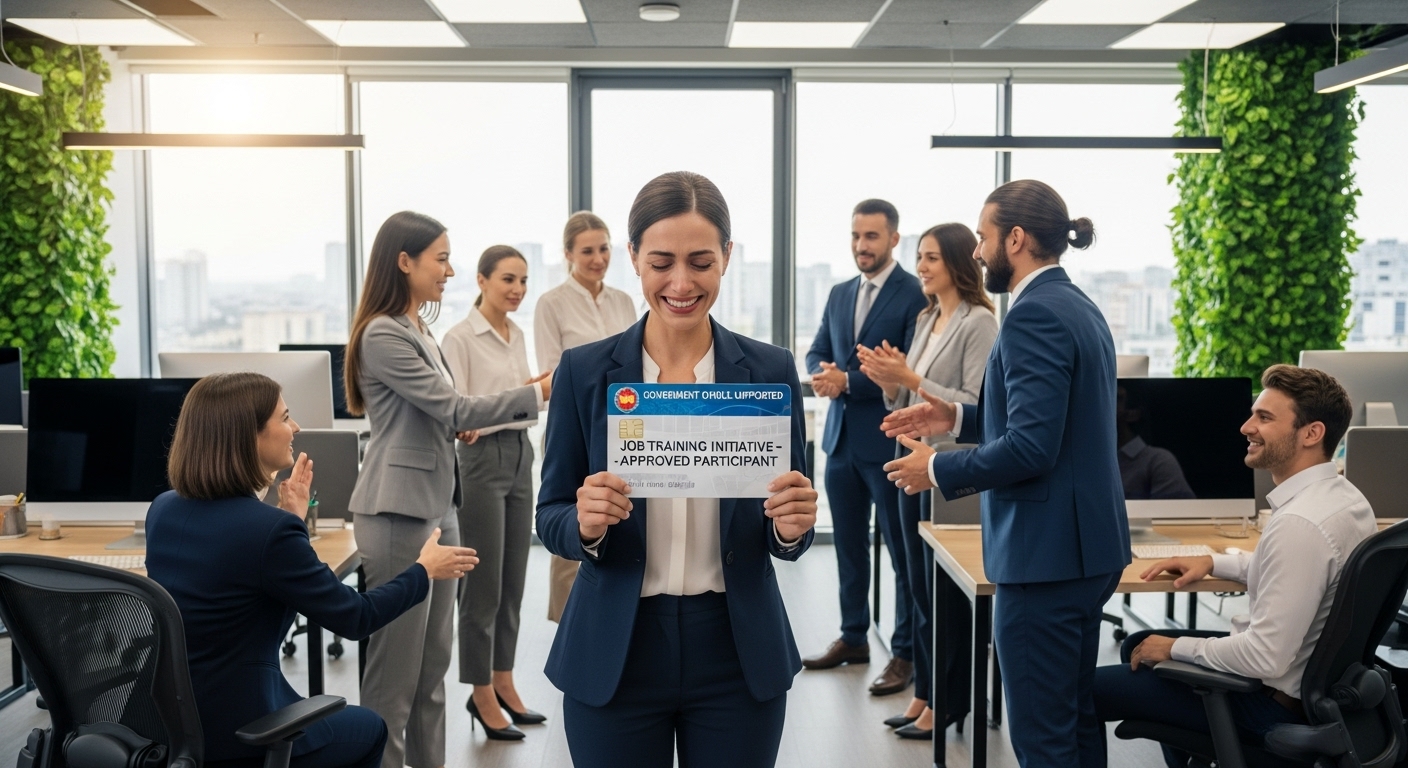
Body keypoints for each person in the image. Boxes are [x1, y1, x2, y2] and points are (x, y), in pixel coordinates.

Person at [536, 171, 819, 768]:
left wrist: (791, 528)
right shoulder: (584, 372)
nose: (682, 283)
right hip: (616, 646)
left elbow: (785, 524)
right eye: (661, 262)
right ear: (633, 257)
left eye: (701, 262)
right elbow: (550, 515)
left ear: (727, 258)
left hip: (736, 649)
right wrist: (583, 523)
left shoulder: (770, 371)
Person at [881, 179, 1131, 767]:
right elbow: (1055, 424)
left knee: (1042, 736)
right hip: (1085, 550)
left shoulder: (1032, 316)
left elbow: (1031, 448)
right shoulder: (1077, 305)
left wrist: (937, 468)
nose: (976, 251)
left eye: (984, 237)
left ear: (1015, 239)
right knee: (1073, 718)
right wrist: (958, 415)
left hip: (1045, 559)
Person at [146, 372, 479, 768]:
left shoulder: (163, 509)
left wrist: (292, 522)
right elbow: (357, 617)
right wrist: (424, 570)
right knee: (370, 728)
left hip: (165, 723)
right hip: (241, 731)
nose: (296, 428)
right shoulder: (267, 531)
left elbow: (241, 604)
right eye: (285, 418)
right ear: (248, 437)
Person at [345, 211, 551, 768]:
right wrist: (541, 393)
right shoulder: (383, 332)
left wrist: (451, 420)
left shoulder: (418, 329)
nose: (450, 270)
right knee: (395, 678)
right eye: (440, 258)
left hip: (440, 506)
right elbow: (453, 404)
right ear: (404, 261)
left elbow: (440, 411)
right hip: (397, 514)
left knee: (432, 670)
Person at [1094, 364, 1374, 768]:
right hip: (1312, 689)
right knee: (1136, 643)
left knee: (1079, 694)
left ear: (1312, 433)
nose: (1246, 427)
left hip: (1268, 706)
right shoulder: (1342, 499)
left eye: (1264, 417)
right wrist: (1215, 561)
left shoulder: (1300, 526)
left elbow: (1264, 658)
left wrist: (1174, 647)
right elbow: (1298, 572)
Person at [856, 223, 997, 740]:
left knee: (943, 595)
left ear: (957, 262)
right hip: (908, 462)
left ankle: (949, 702)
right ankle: (925, 695)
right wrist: (891, 383)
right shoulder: (926, 316)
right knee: (917, 587)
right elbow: (907, 400)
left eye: (932, 257)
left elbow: (977, 405)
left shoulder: (979, 321)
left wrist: (912, 380)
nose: (921, 266)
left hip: (947, 474)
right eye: (919, 256)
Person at [803, 199, 929, 698]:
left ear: (894, 239)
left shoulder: (914, 295)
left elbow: (904, 370)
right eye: (856, 236)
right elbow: (816, 349)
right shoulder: (838, 293)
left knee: (902, 554)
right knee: (850, 550)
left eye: (872, 237)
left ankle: (905, 652)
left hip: (889, 443)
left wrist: (847, 382)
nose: (862, 246)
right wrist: (823, 375)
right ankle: (853, 637)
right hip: (839, 446)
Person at [441, 245, 547, 740]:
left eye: (523, 280)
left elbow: (519, 406)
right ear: (481, 281)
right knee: (482, 587)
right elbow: (462, 410)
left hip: (521, 452)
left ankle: (504, 680)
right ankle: (479, 689)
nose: (517, 289)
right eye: (508, 279)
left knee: (514, 580)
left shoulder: (517, 332)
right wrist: (521, 399)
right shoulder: (460, 337)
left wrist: (529, 393)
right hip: (481, 459)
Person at [534, 211, 639, 623]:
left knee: (619, 519)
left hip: (627, 429)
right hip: (576, 428)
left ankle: (616, 619)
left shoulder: (624, 301)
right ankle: (570, 626)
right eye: (587, 251)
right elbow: (551, 374)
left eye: (604, 248)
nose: (598, 258)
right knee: (576, 522)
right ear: (568, 254)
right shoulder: (551, 304)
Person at [1116, 385, 1195, 500]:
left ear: (1132, 414)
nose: (1105, 402)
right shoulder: (1093, 459)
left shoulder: (1158, 461)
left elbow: (1181, 514)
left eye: (1117, 398)